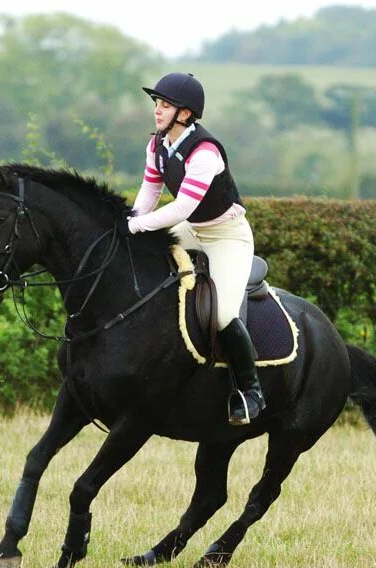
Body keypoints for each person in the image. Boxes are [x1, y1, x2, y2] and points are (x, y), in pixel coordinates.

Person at [118, 72, 265, 425]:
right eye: (156, 103)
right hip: (193, 230)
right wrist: (133, 222)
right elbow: (150, 192)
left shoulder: (205, 152)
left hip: (227, 236)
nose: (157, 110)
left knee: (223, 315)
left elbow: (181, 207)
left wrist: (137, 225)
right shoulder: (156, 145)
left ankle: (251, 391)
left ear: (185, 114)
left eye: (165, 105)